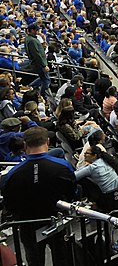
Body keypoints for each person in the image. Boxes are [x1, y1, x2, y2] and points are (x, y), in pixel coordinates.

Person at [1, 127, 76, 266]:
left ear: (24, 145)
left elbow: (9, 203)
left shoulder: (12, 174)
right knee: (63, 259)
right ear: (47, 141)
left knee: (35, 261)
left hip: (27, 226)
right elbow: (72, 192)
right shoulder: (63, 166)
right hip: (57, 221)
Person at [24, 24, 50, 98]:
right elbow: (36, 54)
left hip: (37, 62)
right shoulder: (32, 40)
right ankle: (43, 95)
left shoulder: (30, 38)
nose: (38, 31)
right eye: (37, 30)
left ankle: (31, 86)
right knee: (46, 80)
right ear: (32, 30)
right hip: (39, 64)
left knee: (43, 78)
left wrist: (42, 47)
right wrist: (44, 65)